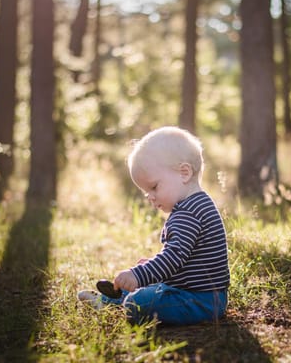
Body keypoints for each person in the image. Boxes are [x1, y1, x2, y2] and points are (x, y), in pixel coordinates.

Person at [78, 126, 230, 325]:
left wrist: (139, 275)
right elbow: (184, 258)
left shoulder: (188, 213)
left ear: (184, 173)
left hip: (202, 300)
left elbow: (172, 258)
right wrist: (149, 267)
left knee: (139, 301)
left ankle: (124, 302)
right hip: (195, 292)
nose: (150, 197)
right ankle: (111, 299)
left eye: (154, 187)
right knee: (147, 284)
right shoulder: (197, 203)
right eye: (145, 192)